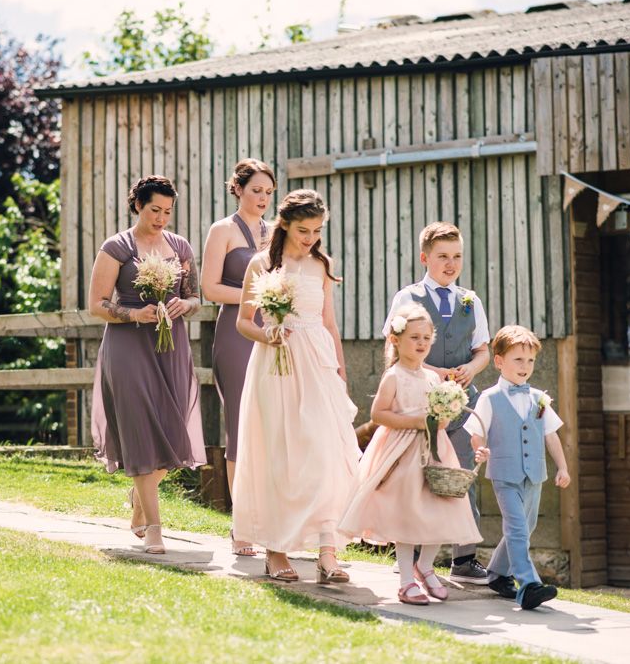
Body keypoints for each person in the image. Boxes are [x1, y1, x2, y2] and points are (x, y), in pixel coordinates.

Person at [232, 189, 360, 583]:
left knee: (325, 453)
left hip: (318, 363)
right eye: (304, 230)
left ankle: (327, 551)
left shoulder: (322, 264)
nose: (310, 238)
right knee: (281, 454)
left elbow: (329, 322)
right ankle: (276, 549)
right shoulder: (260, 264)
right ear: (284, 224)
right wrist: (269, 335)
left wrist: (340, 371)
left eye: (317, 230)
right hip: (277, 364)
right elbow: (243, 321)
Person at [89, 175, 206, 554]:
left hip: (170, 347)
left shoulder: (180, 246)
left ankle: (139, 495)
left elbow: (194, 297)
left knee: (175, 436)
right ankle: (154, 527)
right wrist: (133, 315)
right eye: (155, 209)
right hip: (127, 349)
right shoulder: (116, 247)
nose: (161, 218)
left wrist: (183, 306)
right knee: (139, 429)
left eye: (168, 211)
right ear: (138, 204)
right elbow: (97, 304)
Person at [339, 303, 482, 605]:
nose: (421, 344)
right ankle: (406, 579)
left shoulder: (433, 379)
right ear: (396, 340)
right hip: (402, 453)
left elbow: (439, 416)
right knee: (407, 515)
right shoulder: (394, 376)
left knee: (441, 509)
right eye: (414, 338)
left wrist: (443, 416)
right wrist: (416, 422)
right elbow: (379, 414)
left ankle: (426, 567)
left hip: (434, 451)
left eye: (426, 338)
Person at [379, 221, 490, 584]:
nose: (450, 264)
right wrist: (433, 371)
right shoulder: (408, 297)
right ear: (425, 258)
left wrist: (471, 369)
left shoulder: (470, 300)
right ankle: (410, 559)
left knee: (460, 477)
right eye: (442, 256)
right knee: (413, 479)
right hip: (417, 400)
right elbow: (394, 345)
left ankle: (464, 557)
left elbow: (483, 350)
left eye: (457, 257)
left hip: (461, 403)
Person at [201, 158, 276, 557]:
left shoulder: (276, 232)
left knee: (271, 424)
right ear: (238, 189)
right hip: (234, 332)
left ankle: (270, 519)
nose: (262, 198)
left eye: (268, 191)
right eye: (255, 190)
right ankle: (241, 524)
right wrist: (253, 296)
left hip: (272, 332)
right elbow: (210, 288)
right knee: (239, 425)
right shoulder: (223, 230)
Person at [466, 325, 570, 610]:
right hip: (505, 474)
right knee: (517, 529)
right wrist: (480, 448)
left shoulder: (539, 398)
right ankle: (529, 585)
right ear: (499, 361)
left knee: (526, 526)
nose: (525, 367)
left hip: (535, 474)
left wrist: (563, 467)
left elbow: (551, 434)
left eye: (530, 361)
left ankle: (497, 574)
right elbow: (476, 429)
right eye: (518, 360)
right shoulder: (489, 398)